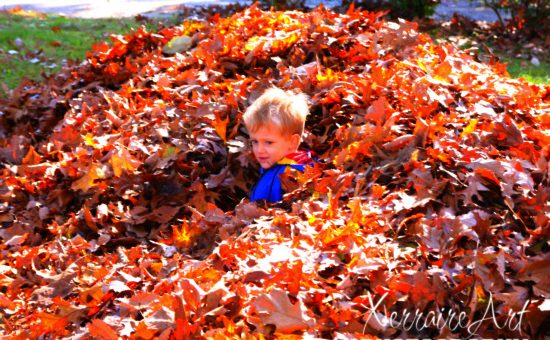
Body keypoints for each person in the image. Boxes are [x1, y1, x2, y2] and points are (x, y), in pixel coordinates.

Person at [243, 86, 315, 203]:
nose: (259, 150)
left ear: (293, 142)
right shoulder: (276, 165)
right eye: (255, 141)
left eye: (269, 142)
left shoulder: (291, 175)